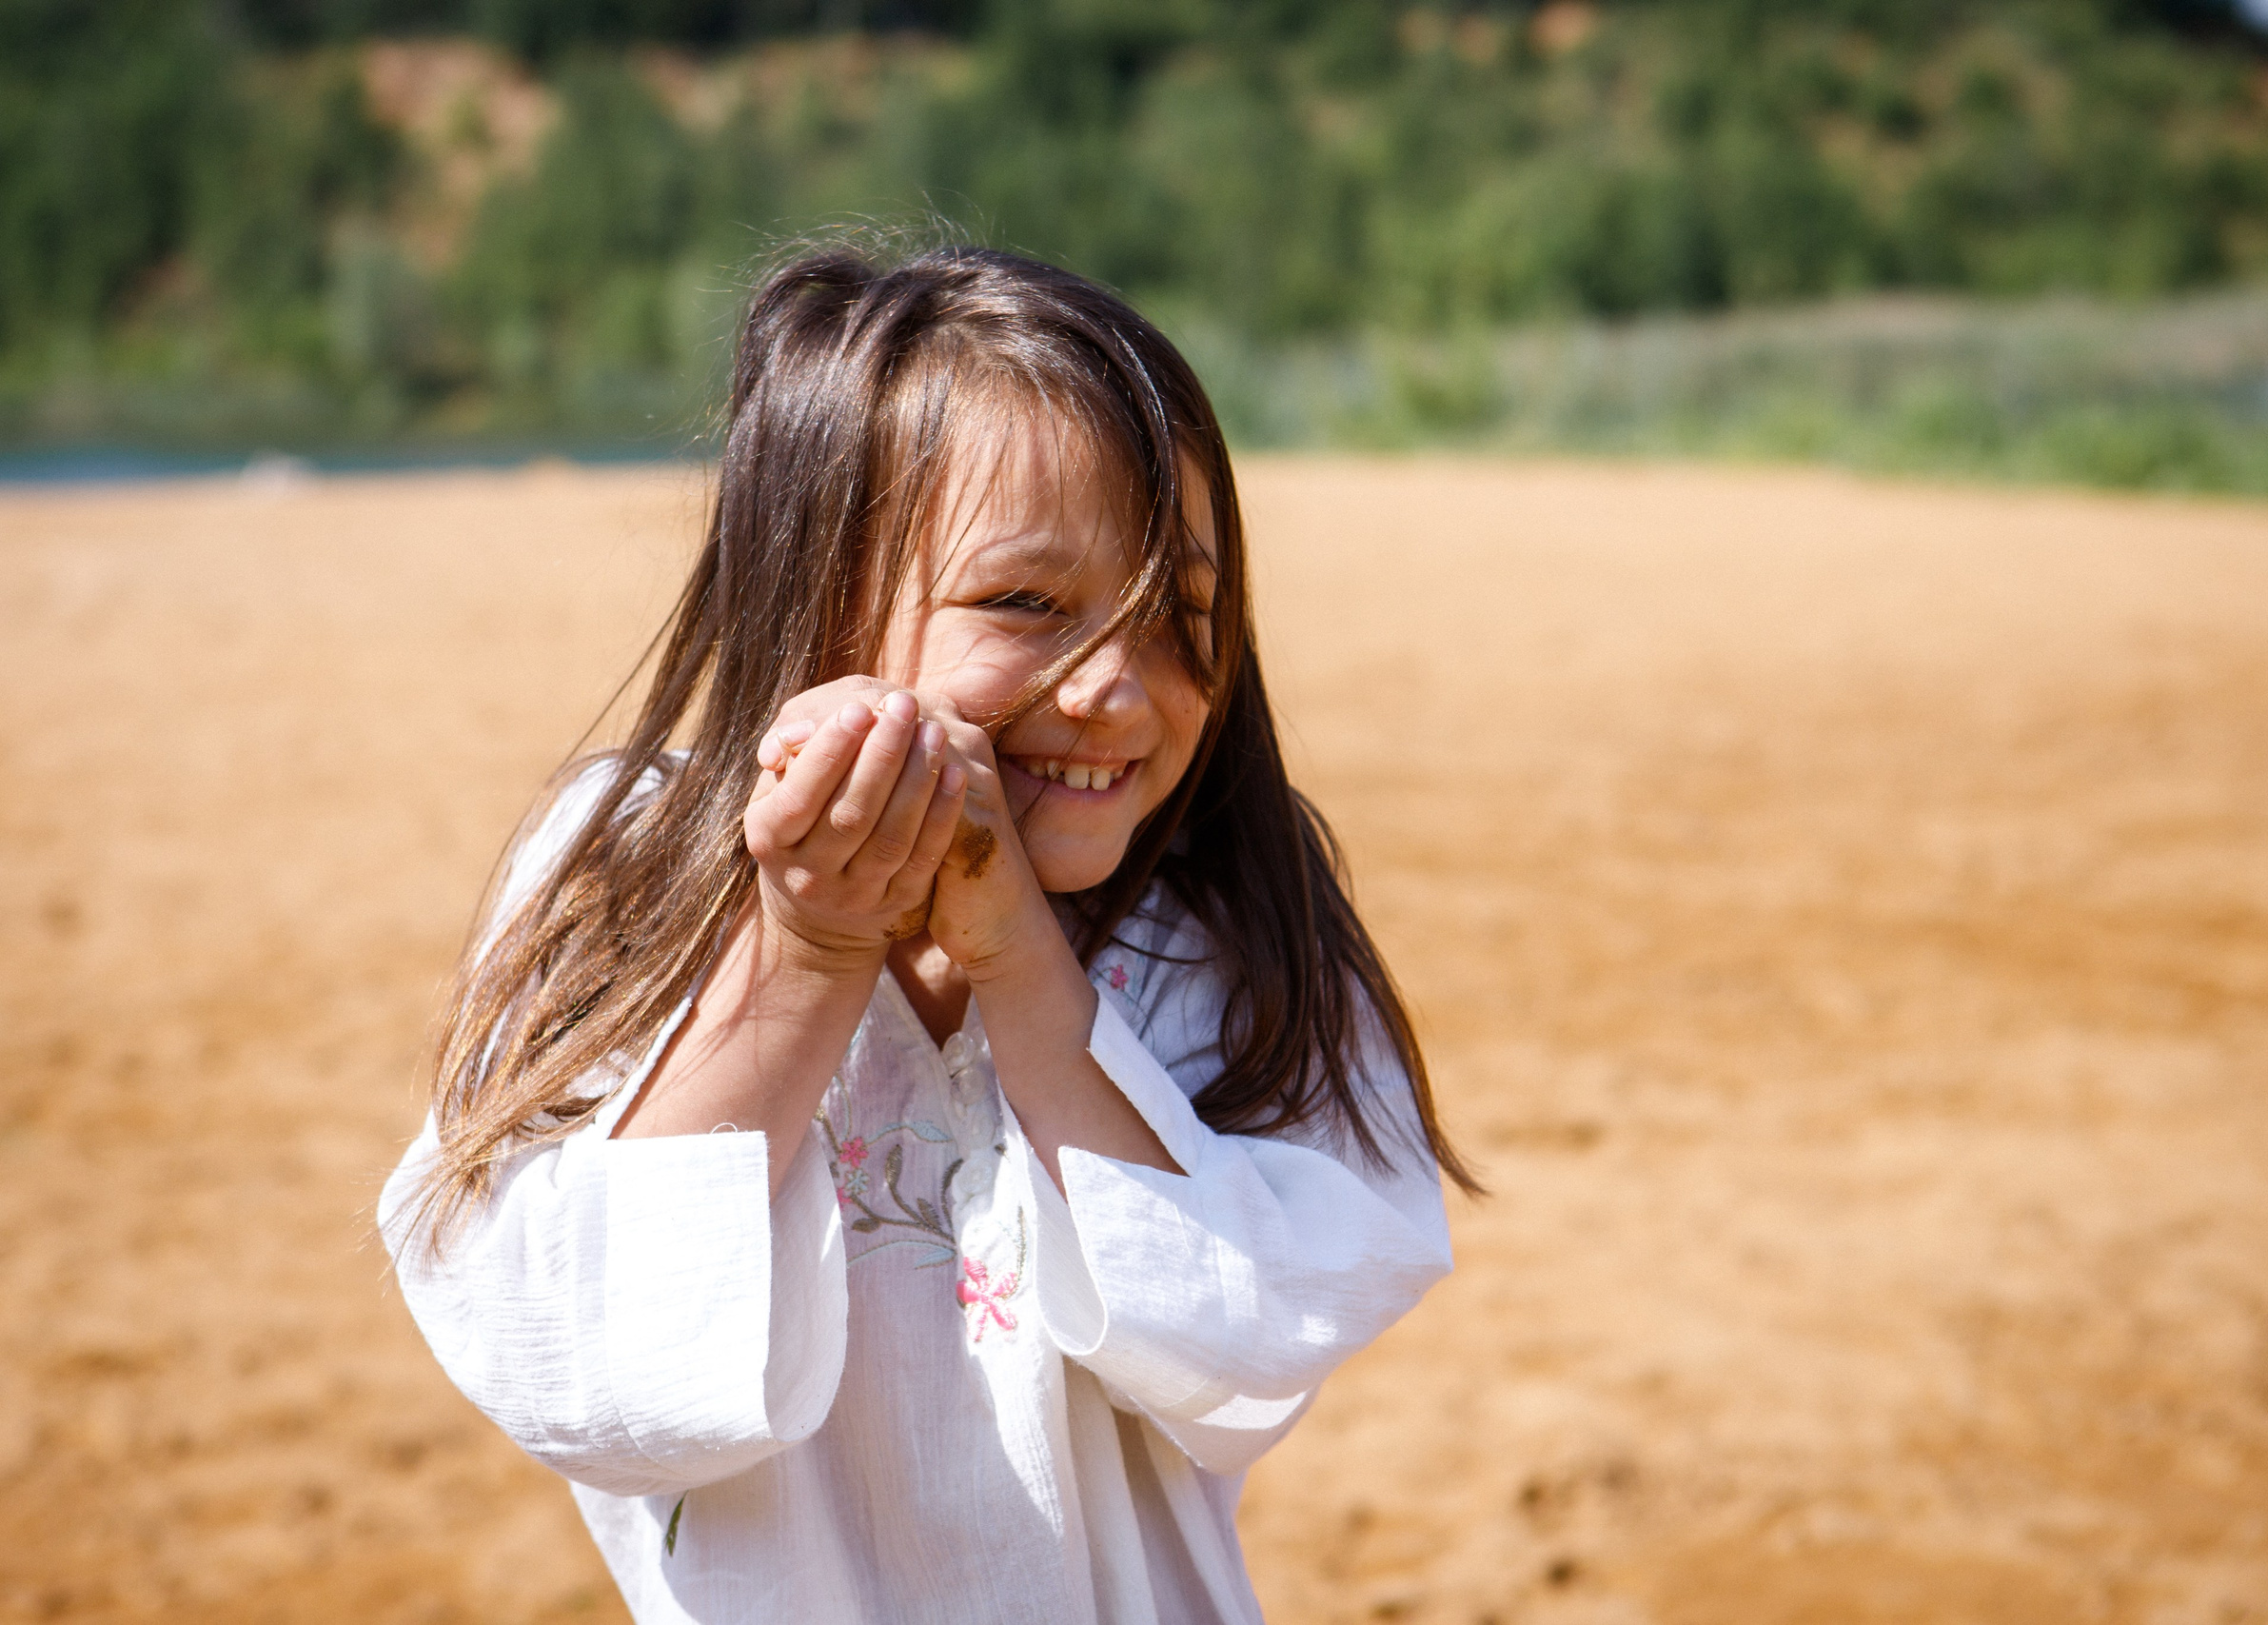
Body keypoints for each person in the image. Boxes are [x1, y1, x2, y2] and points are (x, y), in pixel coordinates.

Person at [379, 241, 1477, 1625]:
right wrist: (809, 950)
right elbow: (591, 1374)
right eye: (1026, 606)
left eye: (1180, 617)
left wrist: (1023, 960)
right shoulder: (626, 868)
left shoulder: (1217, 914)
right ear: (814, 600)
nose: (1120, 696)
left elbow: (1256, 1335)